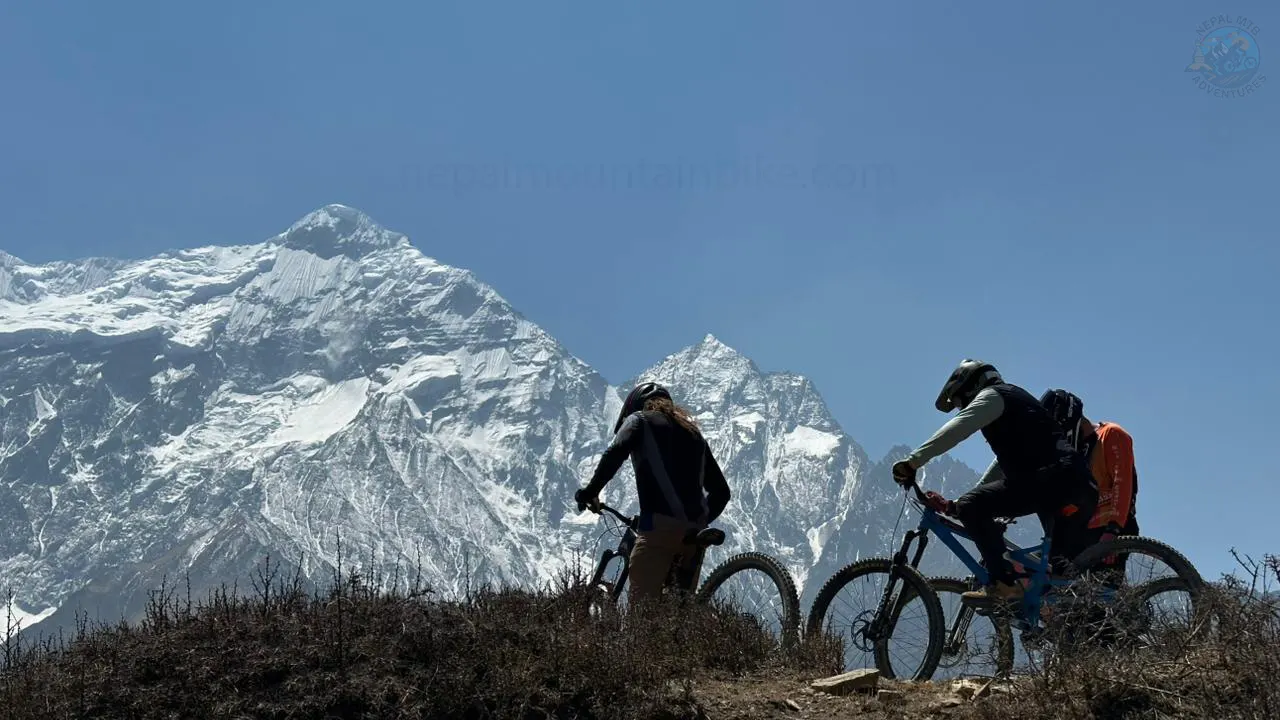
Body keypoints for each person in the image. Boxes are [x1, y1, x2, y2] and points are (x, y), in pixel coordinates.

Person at [890, 360, 1098, 607]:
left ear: (971, 385)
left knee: (974, 507)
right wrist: (955, 505)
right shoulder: (1014, 404)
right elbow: (999, 468)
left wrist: (913, 462)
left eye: (958, 401)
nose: (961, 408)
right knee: (1053, 576)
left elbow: (957, 429)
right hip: (1070, 482)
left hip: (1052, 479)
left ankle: (1005, 584)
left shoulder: (993, 396)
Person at [574, 381, 731, 607]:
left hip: (658, 531)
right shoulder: (694, 434)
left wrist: (590, 492)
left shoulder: (639, 420)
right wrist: (697, 525)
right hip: (695, 538)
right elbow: (721, 493)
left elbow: (614, 454)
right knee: (679, 615)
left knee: (643, 621)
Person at [1039, 388, 1139, 570]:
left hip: (1113, 525)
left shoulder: (1111, 434)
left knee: (1104, 590)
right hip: (1083, 528)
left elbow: (1122, 483)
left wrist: (1113, 531)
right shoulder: (1075, 449)